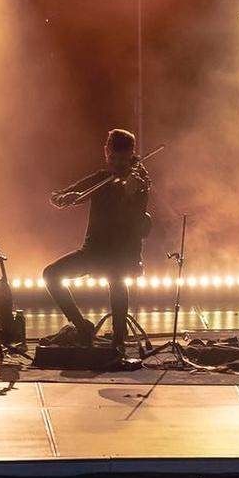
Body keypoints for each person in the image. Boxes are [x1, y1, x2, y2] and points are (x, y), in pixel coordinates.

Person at [43, 128, 151, 349]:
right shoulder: (101, 178)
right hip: (92, 251)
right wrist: (65, 198)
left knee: (117, 275)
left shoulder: (138, 183)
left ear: (132, 155)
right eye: (113, 158)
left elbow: (137, 224)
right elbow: (58, 195)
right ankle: (82, 325)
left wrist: (130, 196)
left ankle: (118, 339)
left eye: (124, 159)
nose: (118, 165)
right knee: (51, 274)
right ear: (106, 152)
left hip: (123, 253)